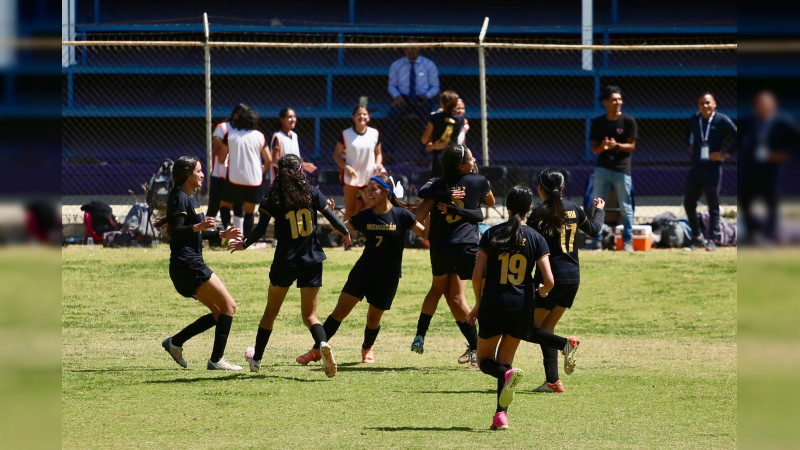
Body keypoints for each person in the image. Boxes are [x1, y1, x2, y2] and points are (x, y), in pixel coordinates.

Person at [464, 185, 580, 430]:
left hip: (494, 303)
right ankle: (500, 416)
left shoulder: (491, 234)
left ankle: (505, 386)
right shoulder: (536, 238)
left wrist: (478, 303)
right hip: (522, 306)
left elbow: (477, 275)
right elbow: (549, 281)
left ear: (507, 207)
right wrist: (544, 292)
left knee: (486, 361)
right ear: (530, 208)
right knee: (505, 360)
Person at [229, 154, 351, 378]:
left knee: (271, 313)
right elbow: (334, 220)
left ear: (278, 173)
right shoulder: (312, 192)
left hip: (285, 260)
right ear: (300, 172)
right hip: (312, 259)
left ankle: (256, 361)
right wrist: (345, 233)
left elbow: (259, 229)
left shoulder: (274, 196)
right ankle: (322, 343)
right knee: (310, 316)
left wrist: (245, 244)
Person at [297, 174, 425, 364]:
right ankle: (316, 350)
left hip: (388, 276)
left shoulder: (402, 216)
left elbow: (426, 233)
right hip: (363, 271)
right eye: (368, 188)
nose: (369, 192)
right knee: (339, 311)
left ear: (386, 192)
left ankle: (367, 348)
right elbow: (339, 229)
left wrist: (432, 212)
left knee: (373, 319)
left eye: (373, 188)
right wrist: (331, 214)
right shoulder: (365, 215)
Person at [411, 144, 494, 367]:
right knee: (478, 298)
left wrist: (444, 195)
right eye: (470, 157)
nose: (474, 158)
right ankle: (483, 347)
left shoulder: (436, 184)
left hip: (440, 247)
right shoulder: (477, 181)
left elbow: (419, 207)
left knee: (449, 295)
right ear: (461, 164)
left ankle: (424, 335)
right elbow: (490, 203)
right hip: (466, 245)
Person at [157, 156, 244, 371]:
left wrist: (219, 233)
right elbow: (176, 231)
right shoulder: (179, 197)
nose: (202, 174)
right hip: (188, 264)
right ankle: (216, 361)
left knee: (219, 312)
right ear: (188, 175)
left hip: (186, 265)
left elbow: (195, 232)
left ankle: (175, 342)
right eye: (198, 171)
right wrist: (199, 227)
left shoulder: (190, 196)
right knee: (229, 307)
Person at [526, 168, 605, 393]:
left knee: (527, 329)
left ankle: (565, 345)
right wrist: (599, 210)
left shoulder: (538, 214)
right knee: (546, 328)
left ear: (540, 188)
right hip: (572, 278)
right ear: (562, 189)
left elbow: (530, 247)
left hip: (550, 279)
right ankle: (553, 382)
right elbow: (595, 230)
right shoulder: (575, 209)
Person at [738, 91, 798, 246]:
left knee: (771, 202)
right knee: (745, 199)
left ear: (773, 105)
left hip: (772, 169)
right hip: (753, 169)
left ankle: (770, 236)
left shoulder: (783, 122)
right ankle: (753, 232)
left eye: (765, 104)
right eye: (759, 104)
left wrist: (778, 155)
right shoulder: (749, 121)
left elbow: (793, 143)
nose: (762, 107)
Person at [683, 92, 738, 251]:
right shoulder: (695, 119)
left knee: (713, 204)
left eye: (708, 103)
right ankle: (697, 237)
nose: (705, 106)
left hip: (713, 168)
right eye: (702, 103)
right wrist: (690, 145)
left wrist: (725, 154)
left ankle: (712, 238)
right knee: (689, 202)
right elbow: (687, 133)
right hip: (696, 167)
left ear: (714, 104)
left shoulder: (722, 120)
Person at [589, 85, 638, 252]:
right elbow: (594, 149)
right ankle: (596, 241)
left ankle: (628, 241)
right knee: (597, 205)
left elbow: (631, 146)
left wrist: (616, 145)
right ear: (605, 102)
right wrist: (603, 146)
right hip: (602, 168)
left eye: (620, 99)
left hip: (622, 169)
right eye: (614, 100)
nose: (618, 102)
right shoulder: (598, 122)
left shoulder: (628, 121)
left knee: (625, 206)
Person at [219, 107, 271, 238]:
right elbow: (268, 159)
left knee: (225, 205)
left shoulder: (230, 135)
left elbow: (221, 158)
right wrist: (261, 170)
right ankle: (247, 239)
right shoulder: (259, 136)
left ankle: (227, 230)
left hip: (234, 177)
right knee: (249, 211)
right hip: (253, 179)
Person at [384, 42, 439, 162]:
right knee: (392, 117)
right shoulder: (397, 65)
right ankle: (388, 153)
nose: (411, 52)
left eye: (414, 49)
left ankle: (424, 155)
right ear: (404, 49)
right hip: (403, 98)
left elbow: (435, 87)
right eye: (408, 49)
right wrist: (397, 96)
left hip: (422, 98)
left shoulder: (429, 65)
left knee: (427, 122)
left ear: (419, 48)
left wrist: (426, 96)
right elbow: (391, 85)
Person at [333, 105, 384, 222]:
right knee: (350, 210)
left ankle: (367, 236)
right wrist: (346, 167)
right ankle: (344, 239)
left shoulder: (374, 133)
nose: (362, 116)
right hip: (352, 177)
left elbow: (379, 154)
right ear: (353, 117)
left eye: (364, 114)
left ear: (369, 117)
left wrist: (379, 164)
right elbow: (336, 155)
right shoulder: (345, 134)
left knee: (373, 208)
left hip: (370, 177)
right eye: (359, 114)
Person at [208, 104, 248, 230]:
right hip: (220, 172)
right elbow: (217, 148)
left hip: (236, 173)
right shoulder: (223, 127)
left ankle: (234, 232)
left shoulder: (244, 131)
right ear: (236, 115)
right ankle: (207, 232)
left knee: (236, 204)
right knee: (214, 203)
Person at [421, 90, 466, 177]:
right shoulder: (460, 120)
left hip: (438, 156)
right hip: (453, 154)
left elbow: (424, 140)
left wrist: (433, 145)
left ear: (441, 103)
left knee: (437, 181)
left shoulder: (435, 118)